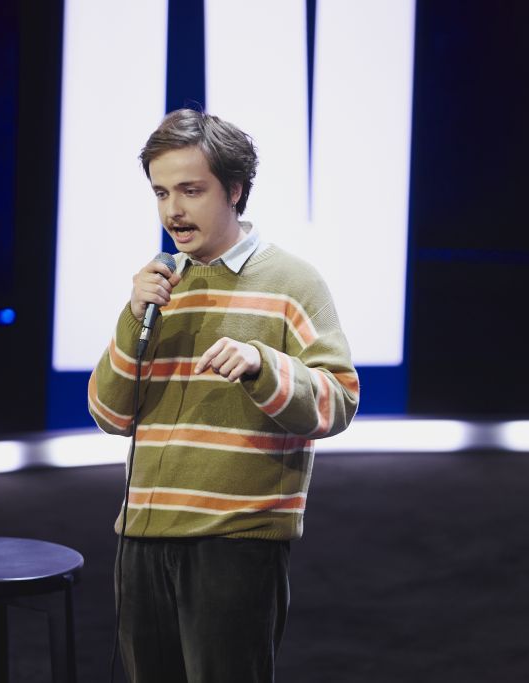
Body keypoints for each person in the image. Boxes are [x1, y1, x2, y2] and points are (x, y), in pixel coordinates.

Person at [88, 108, 359, 683]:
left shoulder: (292, 281)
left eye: (191, 190)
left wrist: (265, 366)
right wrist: (131, 317)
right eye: (161, 192)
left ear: (234, 190)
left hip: (235, 542)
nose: (173, 210)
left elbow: (338, 402)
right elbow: (110, 414)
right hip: (142, 536)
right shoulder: (160, 286)